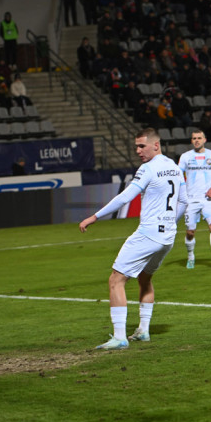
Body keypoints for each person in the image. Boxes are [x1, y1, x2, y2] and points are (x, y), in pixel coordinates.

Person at [79, 128, 188, 350]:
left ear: (156, 145)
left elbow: (125, 196)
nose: (138, 151)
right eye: (136, 146)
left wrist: (95, 216)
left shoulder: (147, 169)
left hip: (148, 234)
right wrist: (170, 224)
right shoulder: (174, 168)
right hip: (167, 237)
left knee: (116, 280)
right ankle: (144, 331)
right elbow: (184, 202)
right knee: (145, 279)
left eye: (142, 146)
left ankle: (120, 337)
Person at [178, 130, 211, 269]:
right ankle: (191, 256)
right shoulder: (186, 157)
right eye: (194, 138)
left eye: (199, 138)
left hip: (208, 199)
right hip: (191, 199)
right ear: (191, 141)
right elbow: (178, 174)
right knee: (190, 232)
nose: (197, 140)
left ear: (205, 140)